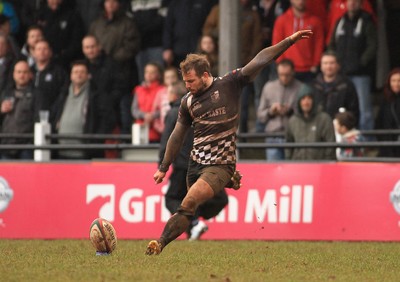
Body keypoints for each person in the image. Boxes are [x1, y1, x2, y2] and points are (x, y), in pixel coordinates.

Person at [145, 29, 313, 255]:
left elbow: (260, 59)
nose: (187, 86)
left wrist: (289, 41)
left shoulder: (230, 83)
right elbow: (177, 134)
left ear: (205, 75)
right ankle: (228, 182)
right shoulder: (187, 102)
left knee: (188, 204)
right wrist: (163, 167)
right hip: (195, 164)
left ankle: (160, 243)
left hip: (220, 163)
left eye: (191, 81)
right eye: (185, 82)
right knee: (192, 203)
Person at [159, 81, 228, 240]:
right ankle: (194, 225)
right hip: (205, 163)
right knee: (214, 198)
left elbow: (168, 141)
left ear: (174, 95)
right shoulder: (203, 110)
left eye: (168, 92)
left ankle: (194, 223)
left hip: (183, 165)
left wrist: (162, 165)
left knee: (172, 199)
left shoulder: (174, 113)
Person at [328, 0, 377, 132]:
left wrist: (361, 62)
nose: (352, 4)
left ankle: (366, 140)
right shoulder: (340, 21)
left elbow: (373, 46)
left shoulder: (367, 21)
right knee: (342, 107)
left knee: (364, 108)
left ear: (361, 4)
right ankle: (345, 138)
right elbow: (331, 43)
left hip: (361, 73)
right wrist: (335, 61)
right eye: (349, 1)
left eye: (355, 1)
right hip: (342, 73)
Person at [53, 60, 111, 159]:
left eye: (82, 72)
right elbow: (53, 115)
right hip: (61, 152)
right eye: (75, 72)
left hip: (85, 153)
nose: (78, 75)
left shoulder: (96, 95)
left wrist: (94, 141)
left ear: (88, 75)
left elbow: (107, 120)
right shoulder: (63, 94)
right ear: (71, 76)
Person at [257, 59, 302, 161]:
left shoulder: (300, 87)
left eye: (287, 75)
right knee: (274, 170)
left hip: (292, 135)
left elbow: (305, 114)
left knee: (293, 171)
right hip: (273, 135)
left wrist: (291, 111)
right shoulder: (269, 87)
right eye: (281, 74)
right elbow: (260, 115)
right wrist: (271, 111)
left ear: (293, 73)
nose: (284, 78)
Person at [272, 0, 324, 83]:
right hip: (287, 70)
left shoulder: (315, 21)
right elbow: (276, 44)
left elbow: (319, 44)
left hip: (309, 70)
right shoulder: (281, 20)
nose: (300, 1)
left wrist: (315, 64)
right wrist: (281, 64)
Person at [285, 84, 336, 160]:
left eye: (309, 98)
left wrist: (327, 164)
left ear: (314, 100)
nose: (306, 102)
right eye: (303, 99)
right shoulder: (292, 121)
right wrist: (289, 162)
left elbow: (330, 144)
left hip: (319, 166)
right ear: (299, 101)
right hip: (297, 166)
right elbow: (288, 144)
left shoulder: (324, 119)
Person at [311, 50, 360, 125]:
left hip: (341, 128)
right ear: (321, 66)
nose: (328, 66)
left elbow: (354, 111)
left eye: (332, 63)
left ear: (338, 65)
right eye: (325, 63)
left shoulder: (347, 85)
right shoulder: (313, 85)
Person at [0, 60, 35, 159]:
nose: (21, 75)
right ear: (14, 74)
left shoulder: (36, 94)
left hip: (26, 145)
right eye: (19, 72)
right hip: (6, 144)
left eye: (24, 72)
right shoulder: (6, 92)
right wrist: (1, 110)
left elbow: (38, 118)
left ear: (30, 74)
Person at [31, 39, 67, 125]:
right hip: (30, 118)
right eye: (39, 49)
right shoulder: (28, 71)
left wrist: (55, 112)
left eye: (45, 49)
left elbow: (62, 94)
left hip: (51, 117)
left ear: (50, 52)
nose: (42, 52)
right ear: (34, 53)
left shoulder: (59, 72)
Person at [131, 62, 165, 143]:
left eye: (152, 72)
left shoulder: (162, 89)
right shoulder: (138, 89)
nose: (149, 74)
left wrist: (152, 116)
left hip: (157, 131)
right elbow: (134, 110)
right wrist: (144, 115)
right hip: (140, 130)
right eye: (147, 72)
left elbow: (164, 109)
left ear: (158, 75)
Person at [375, 68, 400, 158]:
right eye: (393, 81)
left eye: (399, 81)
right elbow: (379, 122)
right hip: (387, 147)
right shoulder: (385, 100)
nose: (396, 84)